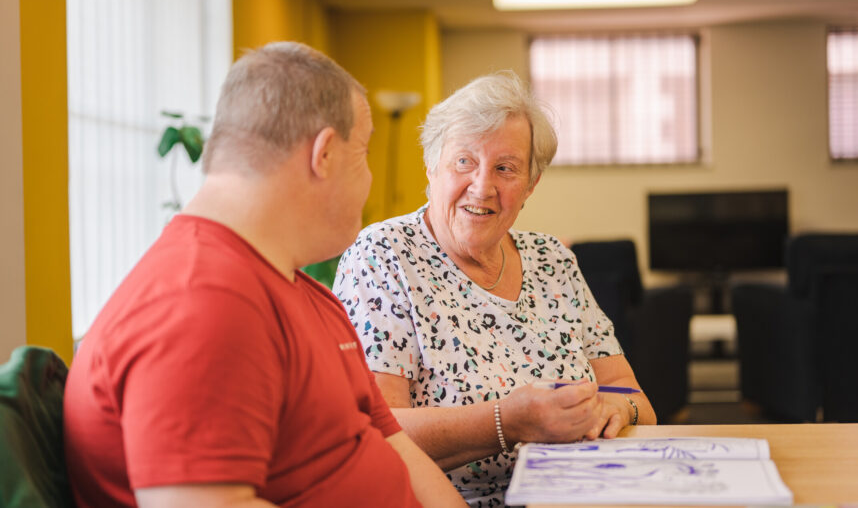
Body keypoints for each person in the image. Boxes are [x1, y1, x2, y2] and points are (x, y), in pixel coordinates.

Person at [63, 42, 466, 508]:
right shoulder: (201, 304)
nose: (369, 177)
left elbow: (394, 446)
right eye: (364, 152)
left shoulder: (304, 294)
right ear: (326, 154)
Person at [332, 71, 657, 506]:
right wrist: (509, 422)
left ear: (529, 186)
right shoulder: (383, 255)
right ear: (430, 167)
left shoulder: (553, 261)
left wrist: (617, 410)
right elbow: (376, 432)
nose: (482, 186)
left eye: (505, 168)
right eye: (463, 161)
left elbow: (635, 398)